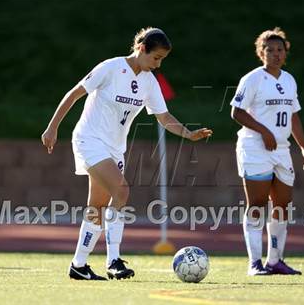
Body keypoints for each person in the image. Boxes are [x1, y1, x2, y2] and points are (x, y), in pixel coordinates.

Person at [41, 27, 213, 280]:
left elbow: (163, 117)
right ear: (141, 48)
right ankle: (113, 261)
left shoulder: (148, 81)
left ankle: (79, 265)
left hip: (114, 148)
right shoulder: (110, 68)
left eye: (162, 60)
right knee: (121, 190)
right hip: (89, 139)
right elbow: (74, 93)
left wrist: (188, 133)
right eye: (156, 58)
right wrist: (52, 127)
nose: (158, 64)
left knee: (97, 207)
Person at [230, 27, 304, 275]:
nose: (275, 54)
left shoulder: (289, 80)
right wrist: (264, 131)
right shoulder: (252, 79)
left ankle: (275, 261)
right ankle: (254, 263)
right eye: (270, 50)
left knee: (282, 205)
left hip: (282, 150)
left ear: (285, 53)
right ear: (261, 53)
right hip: (255, 147)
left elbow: (293, 116)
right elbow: (236, 112)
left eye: (280, 50)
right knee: (256, 204)